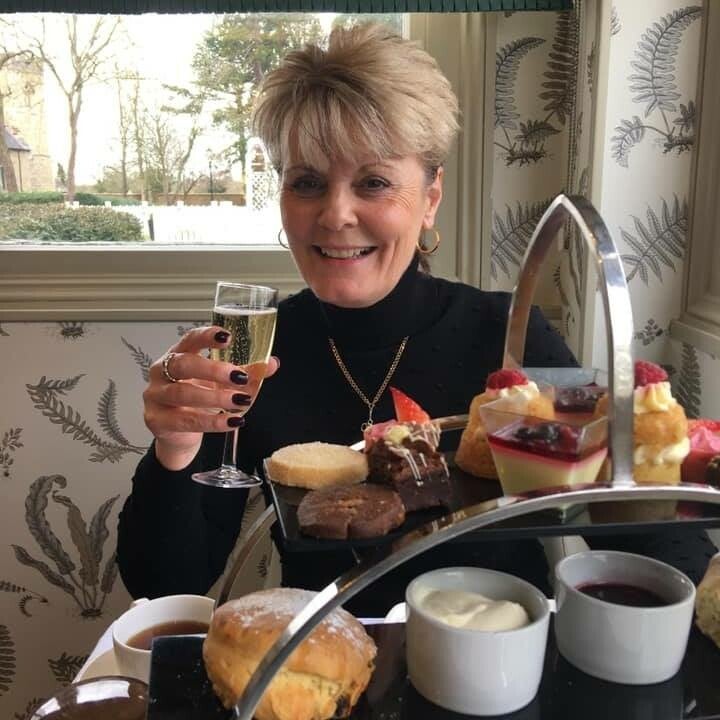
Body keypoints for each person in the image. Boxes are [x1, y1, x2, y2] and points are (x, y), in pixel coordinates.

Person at [117, 23, 716, 615]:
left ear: (431, 198)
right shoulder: (257, 352)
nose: (336, 214)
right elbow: (163, 583)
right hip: (328, 648)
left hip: (501, 651)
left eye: (374, 182)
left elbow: (660, 544)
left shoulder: (509, 337)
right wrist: (176, 447)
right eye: (308, 182)